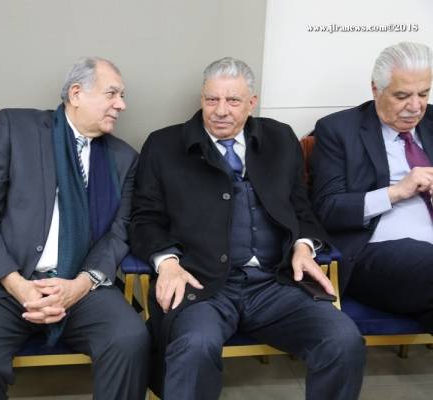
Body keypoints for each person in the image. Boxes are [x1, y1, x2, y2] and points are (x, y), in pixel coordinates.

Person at [129, 57, 365, 400]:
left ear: (252, 102)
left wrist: (303, 246)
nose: (220, 111)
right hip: (202, 285)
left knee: (343, 340)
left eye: (233, 100)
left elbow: (301, 207)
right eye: (212, 99)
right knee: (194, 347)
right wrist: (167, 263)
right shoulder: (163, 145)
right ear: (202, 98)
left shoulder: (280, 137)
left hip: (275, 282)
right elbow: (144, 218)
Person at [0, 57, 150, 400]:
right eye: (112, 94)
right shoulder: (16, 129)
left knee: (129, 339)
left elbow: (119, 232)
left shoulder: (123, 158)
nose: (121, 105)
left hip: (79, 285)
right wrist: (16, 283)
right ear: (76, 93)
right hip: (0, 285)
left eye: (122, 96)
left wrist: (80, 285)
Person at [311, 42, 433, 329]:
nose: (415, 107)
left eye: (423, 94)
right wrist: (396, 192)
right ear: (376, 89)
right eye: (402, 96)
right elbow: (328, 209)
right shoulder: (338, 130)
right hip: (374, 253)